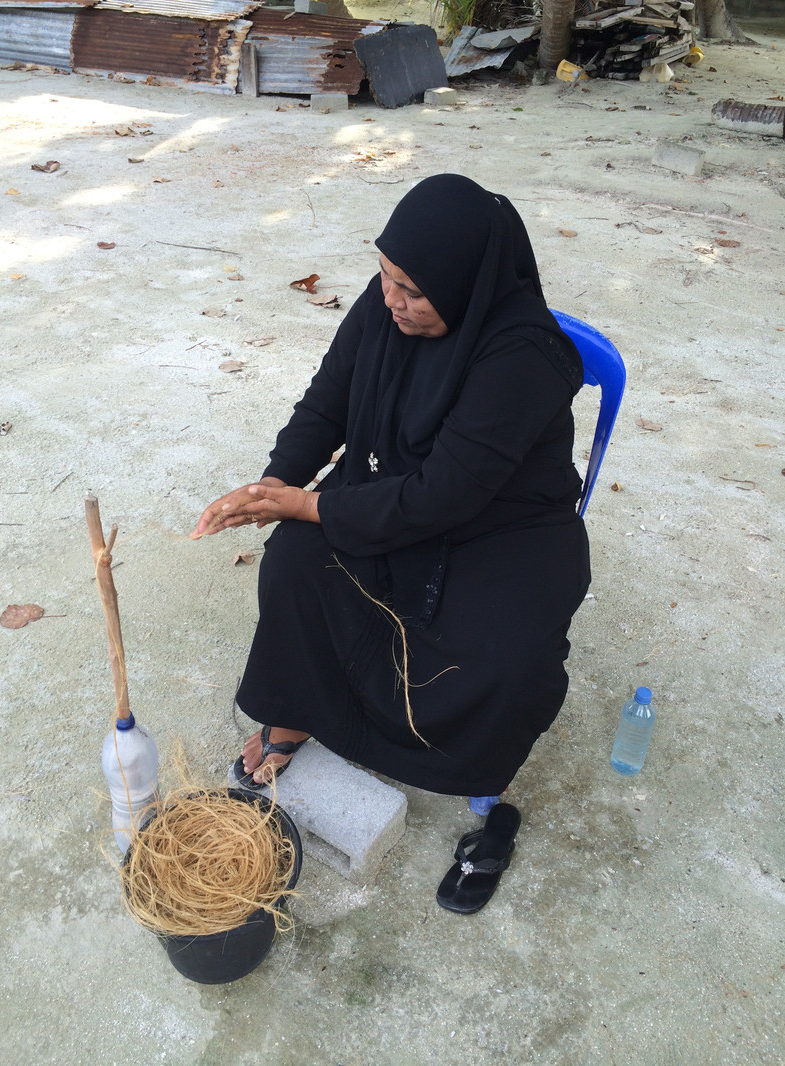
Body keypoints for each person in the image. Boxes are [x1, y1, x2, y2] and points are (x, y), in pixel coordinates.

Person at [192, 174, 590, 907]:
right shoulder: (385, 312)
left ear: (466, 286)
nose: (389, 300)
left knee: (508, 658)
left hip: (501, 527)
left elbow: (447, 495)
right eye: (384, 274)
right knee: (296, 562)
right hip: (394, 485)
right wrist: (271, 489)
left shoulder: (523, 358)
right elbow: (327, 404)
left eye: (411, 288)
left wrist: (308, 505)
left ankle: (470, 764)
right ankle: (299, 715)